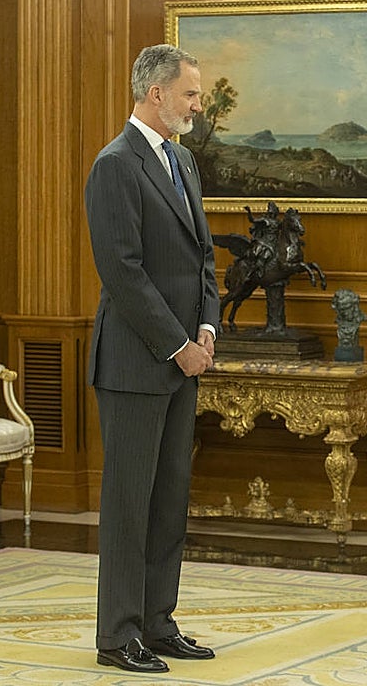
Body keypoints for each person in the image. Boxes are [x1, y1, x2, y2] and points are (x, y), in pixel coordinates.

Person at [84, 44, 219, 675]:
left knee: (169, 499)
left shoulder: (184, 161)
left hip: (186, 357)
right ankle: (119, 633)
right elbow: (124, 272)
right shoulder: (115, 165)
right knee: (130, 502)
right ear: (155, 93)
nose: (199, 104)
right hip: (138, 365)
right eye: (191, 93)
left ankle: (159, 621)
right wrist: (178, 345)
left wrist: (209, 327)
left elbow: (203, 258)